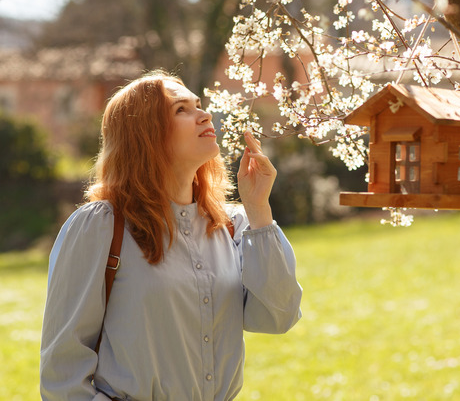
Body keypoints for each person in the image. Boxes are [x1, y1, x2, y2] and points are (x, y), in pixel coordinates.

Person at [40, 71, 302, 400]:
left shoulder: (232, 224)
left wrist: (259, 209)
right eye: (181, 110)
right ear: (145, 134)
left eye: (199, 105)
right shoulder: (101, 225)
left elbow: (278, 317)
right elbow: (62, 372)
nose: (204, 115)